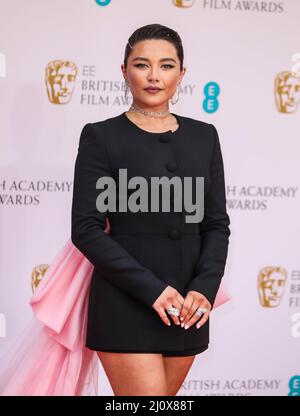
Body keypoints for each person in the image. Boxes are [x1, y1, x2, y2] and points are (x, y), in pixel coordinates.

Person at [71, 23, 231, 396]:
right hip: (126, 299)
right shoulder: (101, 135)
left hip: (187, 307)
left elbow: (216, 224)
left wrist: (204, 290)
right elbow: (86, 229)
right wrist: (153, 290)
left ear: (182, 73)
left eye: (167, 65)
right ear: (124, 70)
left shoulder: (204, 135)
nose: (154, 76)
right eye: (142, 65)